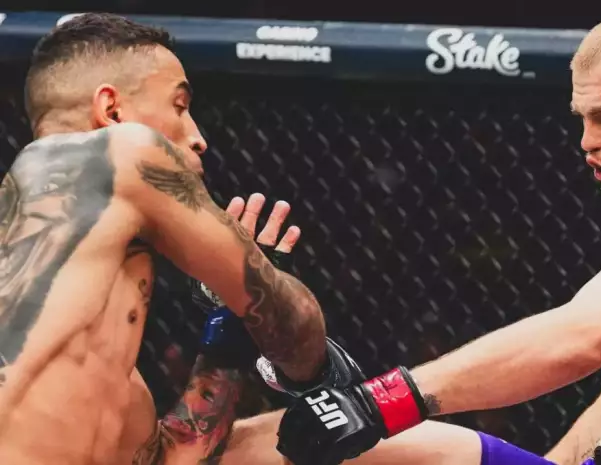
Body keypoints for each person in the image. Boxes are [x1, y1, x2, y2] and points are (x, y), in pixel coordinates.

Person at [273, 5, 601, 465]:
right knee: (263, 444)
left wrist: (380, 402)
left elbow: (578, 337)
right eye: (583, 119)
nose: (588, 141)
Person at [0, 13, 364, 465]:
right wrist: (320, 373)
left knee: (414, 446)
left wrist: (231, 330)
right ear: (112, 111)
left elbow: (176, 457)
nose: (197, 137)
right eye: (179, 106)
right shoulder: (122, 150)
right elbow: (294, 323)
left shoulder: (96, 374)